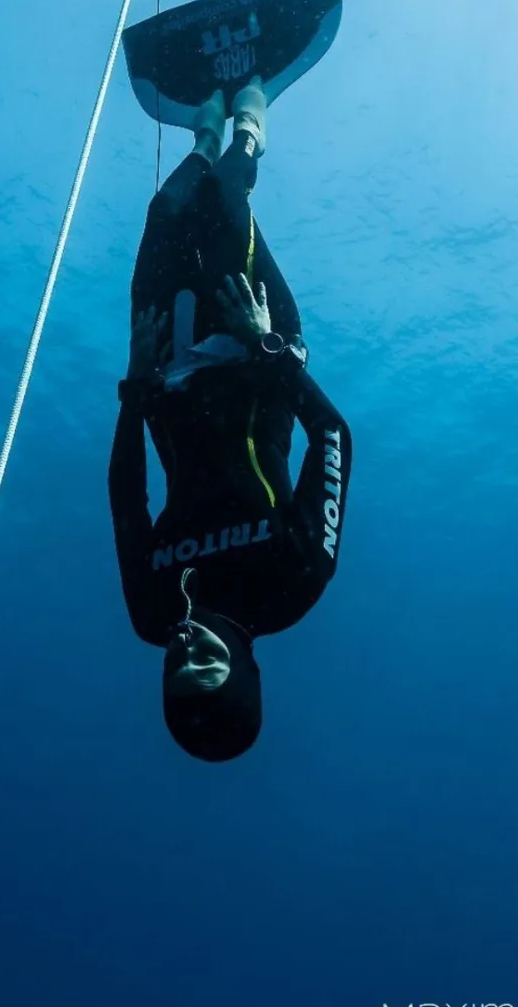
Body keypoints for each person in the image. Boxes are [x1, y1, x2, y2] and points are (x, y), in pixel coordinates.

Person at [110, 79, 353, 762]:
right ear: (245, 674)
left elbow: (126, 498)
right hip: (256, 353)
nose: (185, 653)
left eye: (174, 674)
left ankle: (205, 130)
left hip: (170, 374)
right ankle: (249, 116)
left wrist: (136, 389)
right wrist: (269, 347)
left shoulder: (152, 613)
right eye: (207, 670)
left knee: (166, 209)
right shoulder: (292, 585)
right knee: (225, 193)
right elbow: (333, 438)